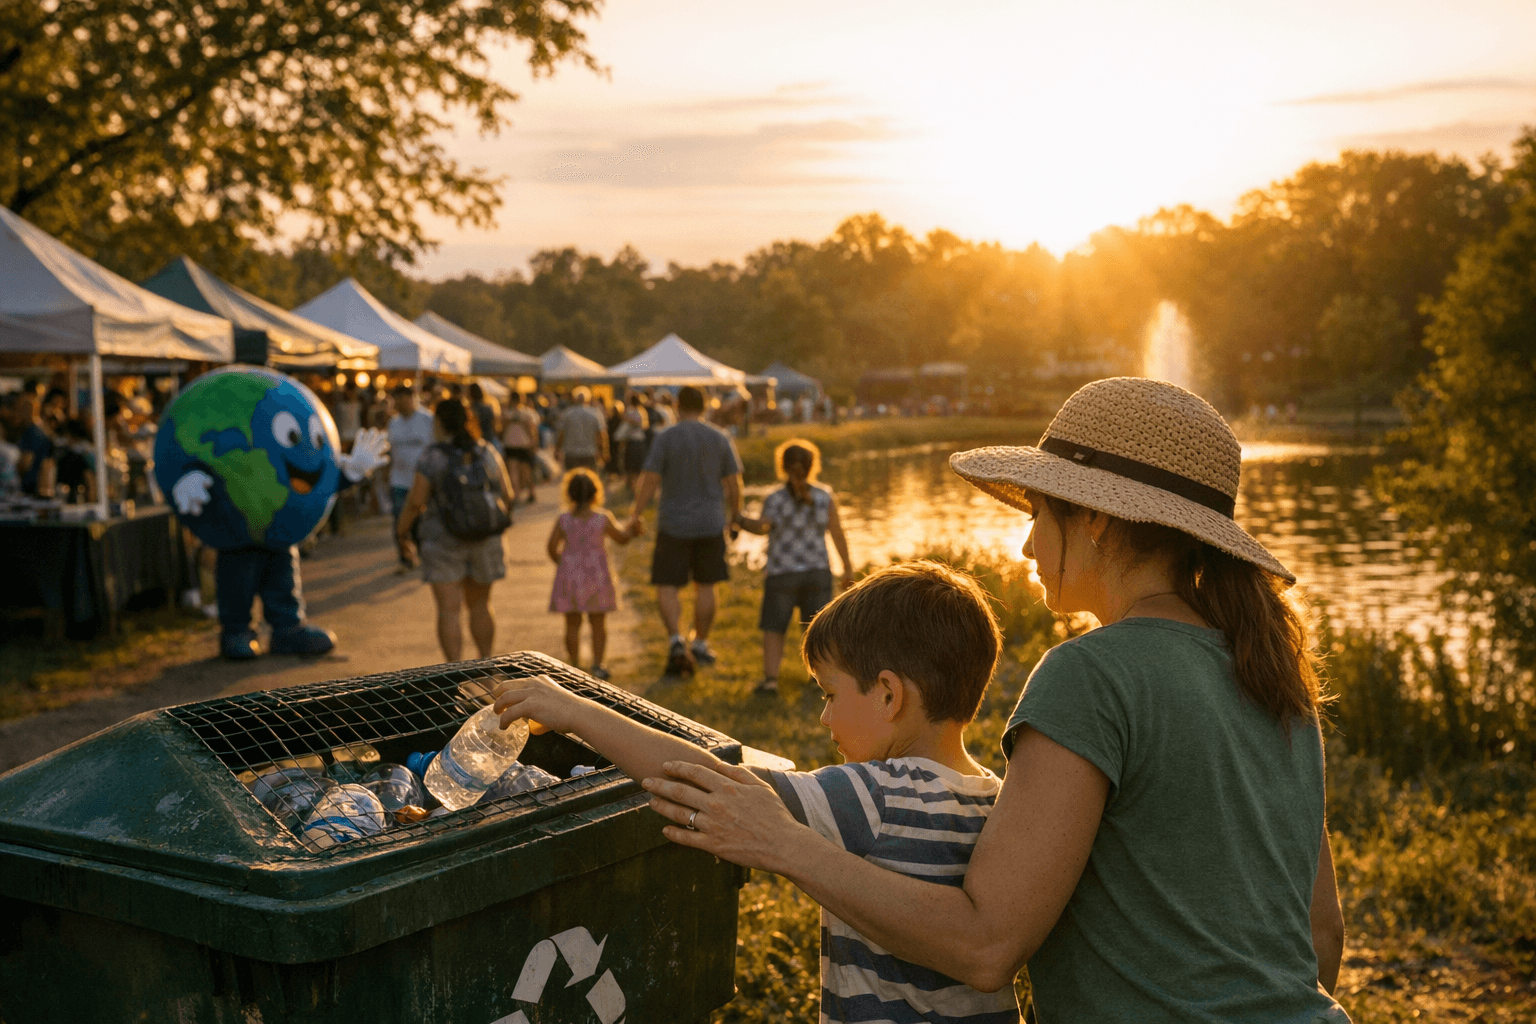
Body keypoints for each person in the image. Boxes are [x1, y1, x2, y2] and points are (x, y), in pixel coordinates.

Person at [644, 377, 1350, 1023]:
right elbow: (1321, 936)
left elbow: (986, 945)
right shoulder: (1279, 681)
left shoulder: (1093, 674)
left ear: (1098, 520)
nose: (1024, 546)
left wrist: (783, 845)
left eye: (1040, 513)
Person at [491, 560, 1019, 1024]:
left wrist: (577, 712)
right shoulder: (996, 799)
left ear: (888, 694)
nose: (824, 716)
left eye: (831, 694)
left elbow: (709, 782)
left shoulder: (877, 795)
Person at [626, 385, 742, 673]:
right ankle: (700, 643)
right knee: (706, 585)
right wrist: (736, 515)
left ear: (677, 405)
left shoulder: (666, 437)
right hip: (710, 522)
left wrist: (636, 514)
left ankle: (676, 640)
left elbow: (649, 479)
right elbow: (733, 482)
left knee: (667, 585)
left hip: (673, 523)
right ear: (705, 405)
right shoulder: (720, 436)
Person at [395, 399, 514, 663]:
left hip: (442, 541)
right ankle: (485, 668)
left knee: (449, 611)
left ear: (439, 423)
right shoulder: (485, 451)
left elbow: (416, 501)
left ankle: (455, 677)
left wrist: (402, 532)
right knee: (481, 606)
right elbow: (507, 493)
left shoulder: (432, 456)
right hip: (485, 537)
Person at [734, 438, 854, 695]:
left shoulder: (775, 498)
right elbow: (837, 533)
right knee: (817, 630)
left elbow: (762, 527)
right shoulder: (824, 496)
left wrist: (739, 519)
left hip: (782, 573)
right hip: (817, 572)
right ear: (813, 466)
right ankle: (818, 680)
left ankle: (771, 681)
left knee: (774, 628)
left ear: (783, 467)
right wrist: (848, 568)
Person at [547, 468, 635, 680]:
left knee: (572, 623)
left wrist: (565, 563)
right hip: (597, 576)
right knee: (598, 622)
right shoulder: (602, 518)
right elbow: (621, 538)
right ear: (596, 492)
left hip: (570, 575)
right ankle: (598, 664)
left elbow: (551, 547)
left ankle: (574, 665)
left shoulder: (564, 519)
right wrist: (633, 529)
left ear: (569, 494)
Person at [387, 385, 435, 572]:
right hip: (398, 480)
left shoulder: (427, 420)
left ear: (412, 398)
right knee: (400, 521)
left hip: (422, 481)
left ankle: (423, 555)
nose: (399, 404)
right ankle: (405, 559)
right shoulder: (393, 423)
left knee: (420, 522)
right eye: (396, 400)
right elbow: (390, 451)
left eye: (403, 399)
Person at [500, 391, 542, 504]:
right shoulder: (527, 413)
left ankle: (517, 496)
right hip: (524, 445)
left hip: (510, 444)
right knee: (526, 471)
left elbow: (501, 429)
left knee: (513, 472)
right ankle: (531, 493)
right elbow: (532, 430)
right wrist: (534, 443)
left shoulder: (506, 413)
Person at [554, 385, 608, 471]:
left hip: (571, 454)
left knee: (572, 481)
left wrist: (557, 450)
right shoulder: (596, 414)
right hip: (590, 453)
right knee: (588, 481)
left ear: (574, 398)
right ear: (588, 398)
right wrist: (603, 452)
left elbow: (561, 434)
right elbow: (601, 435)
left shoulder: (567, 414)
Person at [13, 394, 55, 497]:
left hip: (30, 487)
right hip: (41, 486)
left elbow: (26, 462)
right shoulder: (43, 431)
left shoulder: (30, 433)